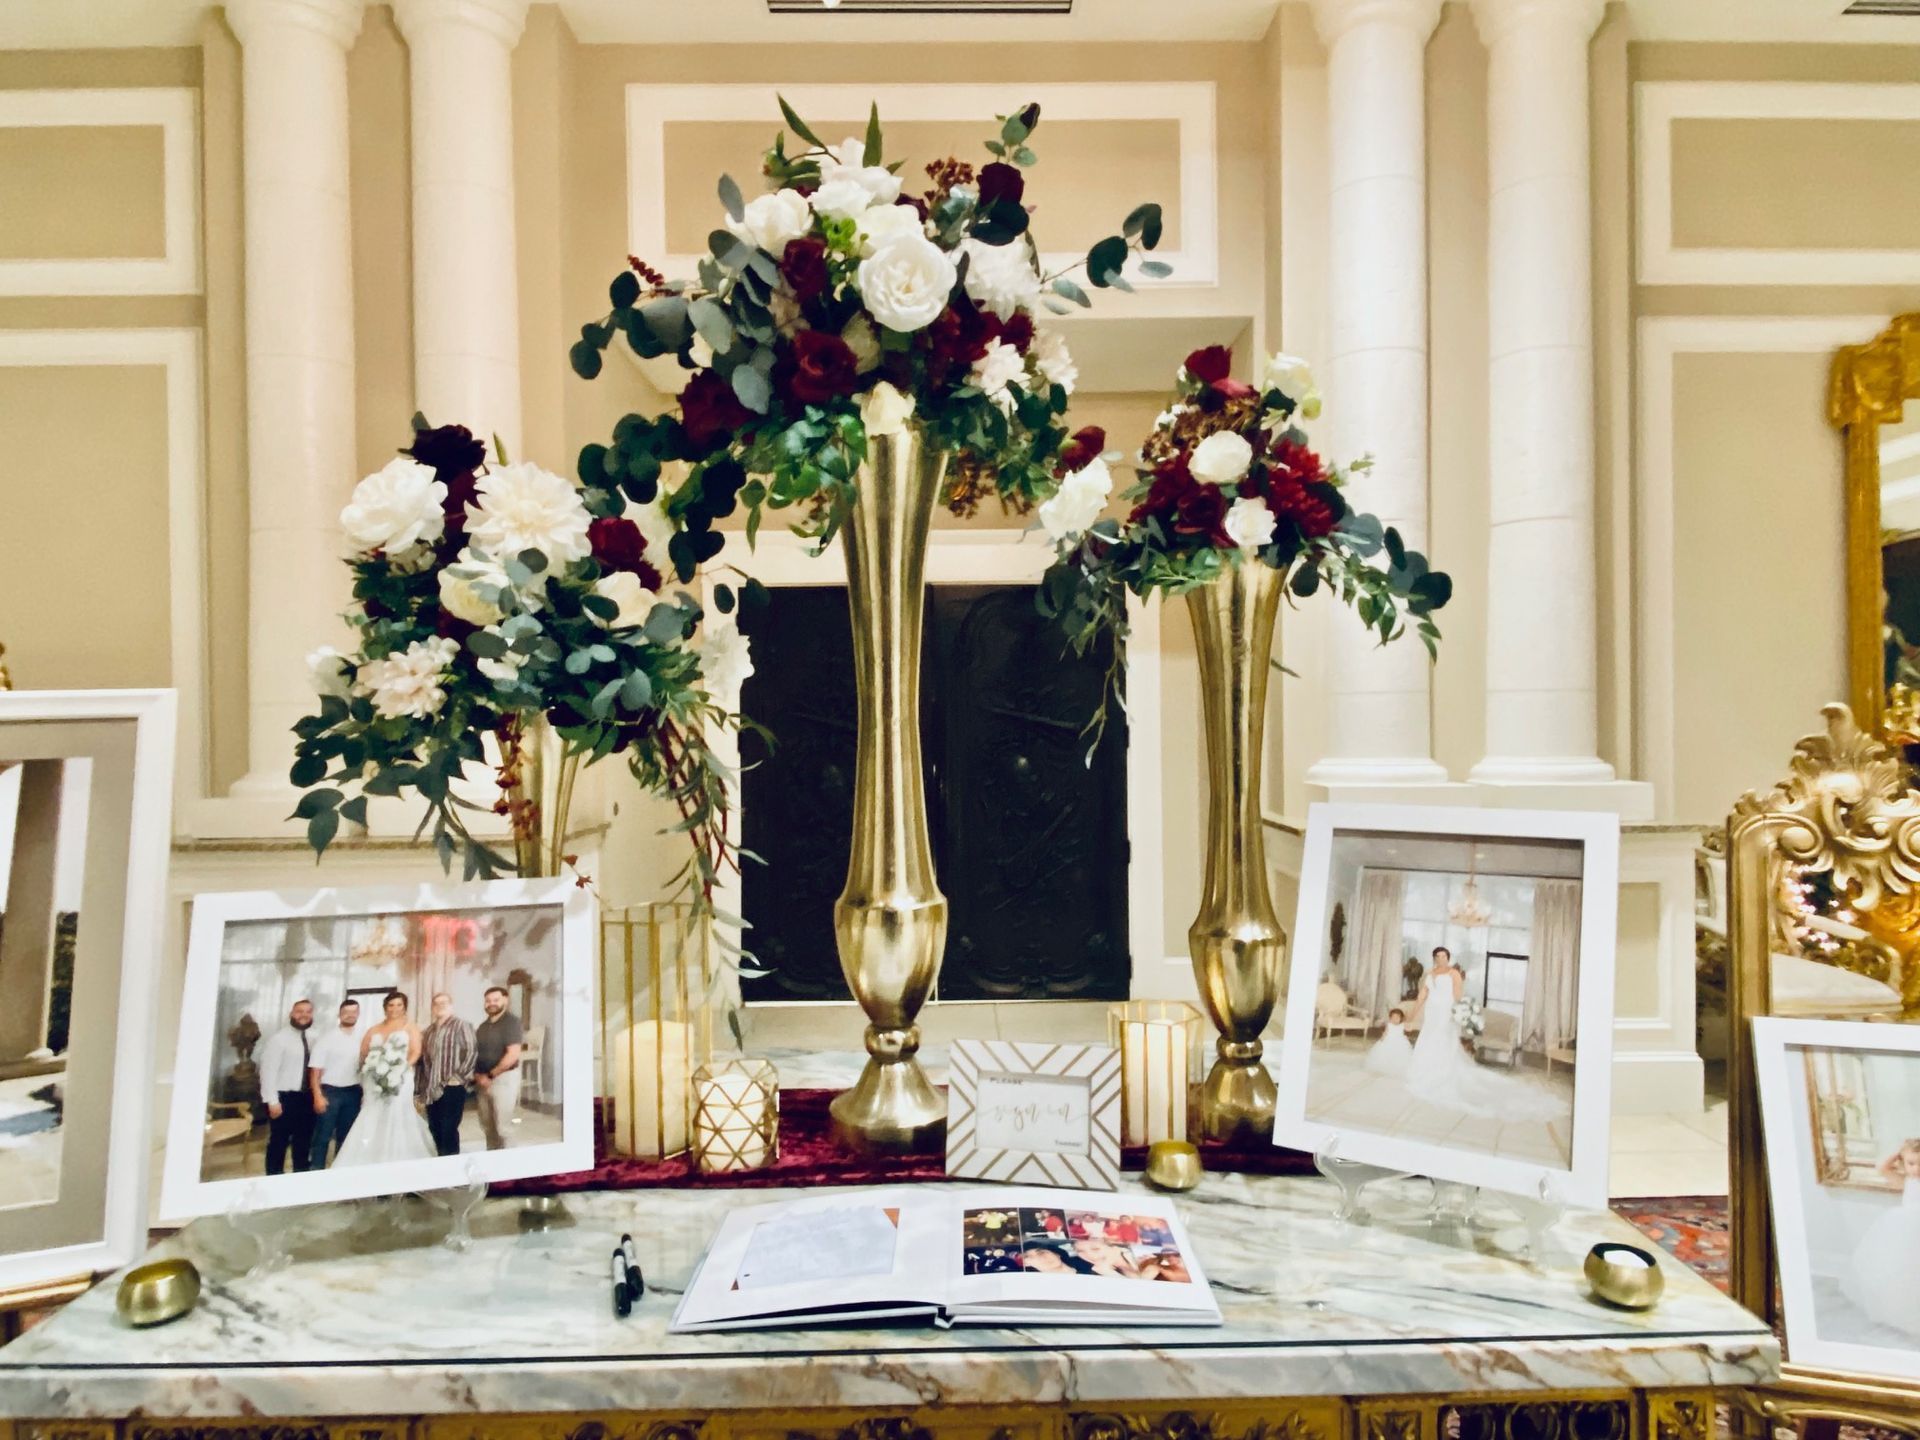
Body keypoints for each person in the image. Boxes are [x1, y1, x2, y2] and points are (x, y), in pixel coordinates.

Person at [1405, 947, 1559, 1121]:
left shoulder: (1453, 973)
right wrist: (1410, 1017)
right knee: (1428, 1039)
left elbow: (1457, 995)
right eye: (1438, 956)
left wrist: (1461, 1014)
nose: (1441, 959)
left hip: (1445, 1013)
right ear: (1434, 958)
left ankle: (1439, 1075)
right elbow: (1421, 997)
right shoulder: (1429, 973)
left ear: (1448, 958)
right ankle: (1423, 1071)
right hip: (1432, 1012)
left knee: (1442, 1041)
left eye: (1444, 956)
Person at [333, 990, 434, 1167]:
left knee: (398, 1114)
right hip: (374, 1080)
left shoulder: (410, 1027)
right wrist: (373, 1070)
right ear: (385, 1007)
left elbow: (415, 1052)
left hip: (401, 1078)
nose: (394, 1008)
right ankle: (371, 1160)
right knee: (372, 1115)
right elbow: (363, 1054)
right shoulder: (374, 1029)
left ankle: (398, 1161)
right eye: (391, 1005)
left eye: (399, 1005)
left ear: (404, 1008)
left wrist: (400, 1069)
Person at [1842, 1137, 1920, 1340]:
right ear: (1904, 1163)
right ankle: (1901, 1310)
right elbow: (1883, 1168)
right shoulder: (1907, 1181)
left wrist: (1907, 1157)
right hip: (1906, 1232)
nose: (1916, 1168)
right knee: (1902, 1270)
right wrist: (1900, 1153)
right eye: (1912, 1163)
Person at [256, 999, 316, 1175]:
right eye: (299, 1011)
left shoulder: (314, 1037)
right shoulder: (279, 1039)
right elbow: (267, 1072)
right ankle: (274, 1179)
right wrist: (272, 1101)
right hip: (283, 1098)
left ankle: (300, 1177)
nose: (304, 1015)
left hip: (306, 1097)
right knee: (279, 1142)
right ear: (291, 1014)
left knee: (303, 1141)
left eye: (308, 1011)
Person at [417, 992, 477, 1157]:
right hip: (432, 1087)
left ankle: (453, 1169)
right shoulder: (428, 1031)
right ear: (432, 1008)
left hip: (452, 1086)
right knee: (434, 1127)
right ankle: (442, 1166)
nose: (440, 1005)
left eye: (444, 1002)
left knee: (448, 1128)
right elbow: (423, 1061)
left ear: (451, 1005)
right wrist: (420, 1088)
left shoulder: (462, 1025)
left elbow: (471, 1052)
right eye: (436, 1003)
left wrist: (457, 1079)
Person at [307, 999, 364, 1167]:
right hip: (329, 1092)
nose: (350, 1015)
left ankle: (339, 1174)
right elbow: (315, 1070)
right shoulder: (327, 1038)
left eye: (354, 1012)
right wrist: (317, 1096)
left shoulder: (362, 1037)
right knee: (322, 1136)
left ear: (358, 1014)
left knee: (346, 1137)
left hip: (353, 1092)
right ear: (339, 1014)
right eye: (346, 1012)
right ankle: (316, 1173)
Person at [472, 985, 525, 1151]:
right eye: (488, 1001)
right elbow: (476, 1053)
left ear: (505, 1000)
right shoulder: (482, 1026)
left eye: (496, 1000)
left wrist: (490, 1075)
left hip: (503, 1079)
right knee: (488, 1127)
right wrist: (478, 1076)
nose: (491, 1003)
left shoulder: (512, 1023)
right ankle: (493, 1161)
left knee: (504, 1128)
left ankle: (510, 1168)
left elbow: (512, 1055)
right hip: (482, 1081)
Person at [1365, 1007, 1413, 1078]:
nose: (1395, 1019)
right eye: (1393, 1018)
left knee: (1399, 1055)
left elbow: (1409, 1029)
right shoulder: (1389, 1025)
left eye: (1397, 1018)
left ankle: (1397, 1067)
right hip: (1388, 1040)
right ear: (1390, 1018)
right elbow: (1385, 1032)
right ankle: (1384, 1066)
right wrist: (1382, 1038)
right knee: (1384, 1053)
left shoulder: (1402, 1025)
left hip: (1400, 1042)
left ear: (1401, 1018)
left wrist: (1408, 1022)